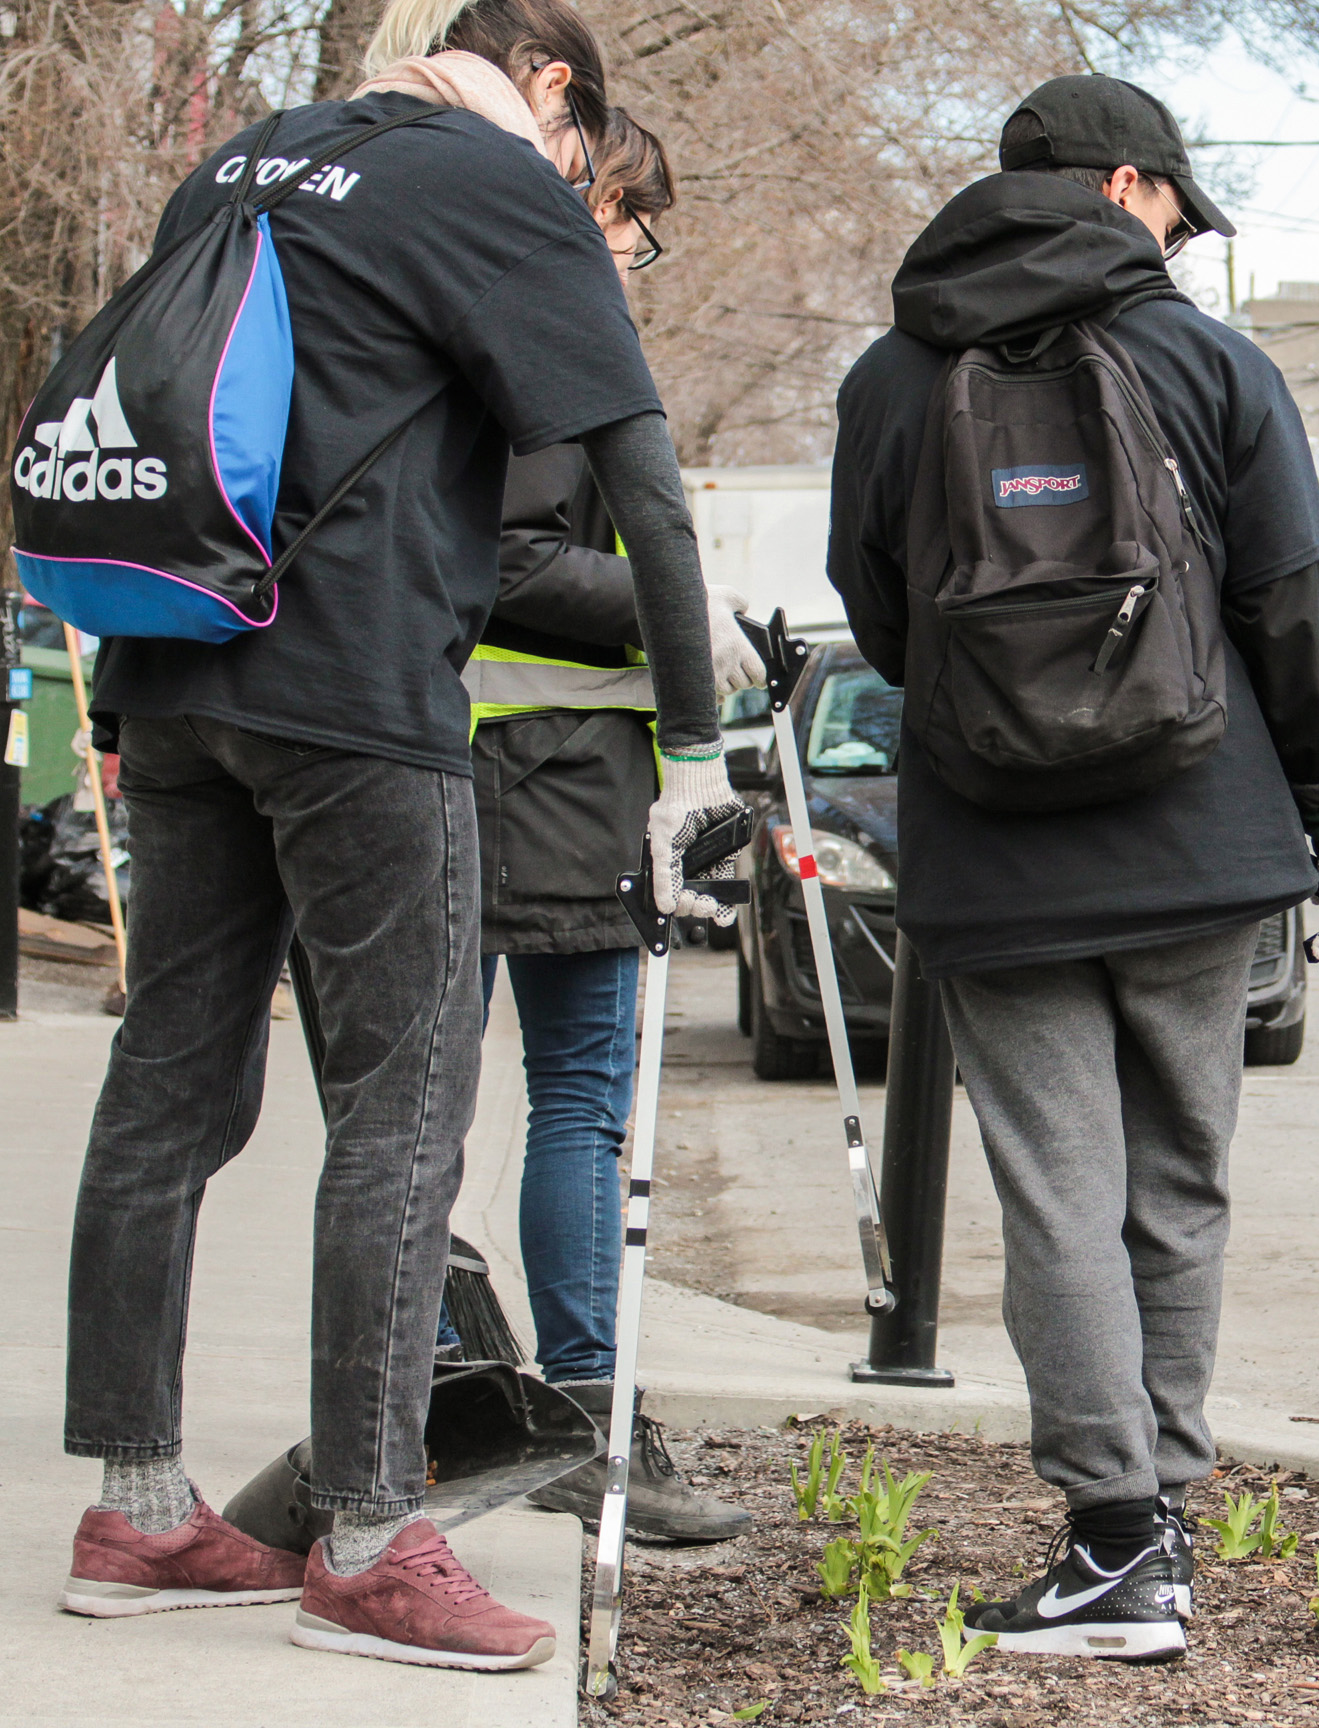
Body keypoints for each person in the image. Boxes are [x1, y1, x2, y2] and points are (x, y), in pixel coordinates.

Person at [57, 0, 744, 1671]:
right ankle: (368, 1538)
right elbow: (641, 483)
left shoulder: (250, 157)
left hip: (174, 666)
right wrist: (694, 750)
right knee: (404, 1100)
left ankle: (139, 1508)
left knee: (173, 1075)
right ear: (553, 89)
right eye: (596, 160)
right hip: (354, 689)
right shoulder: (494, 181)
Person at [826, 73, 1319, 1664]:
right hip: (1200, 833)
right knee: (1178, 1182)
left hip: (996, 854)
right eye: (1175, 213)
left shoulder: (892, 371)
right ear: (1130, 187)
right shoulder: (1210, 359)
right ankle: (1169, 1522)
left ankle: (1111, 1538)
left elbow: (882, 616)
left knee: (1056, 1190)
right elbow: (1290, 603)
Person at [453, 107, 764, 1543]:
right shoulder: (542, 353)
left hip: (543, 765)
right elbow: (513, 559)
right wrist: (676, 617)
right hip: (541, 771)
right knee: (572, 1095)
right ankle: (581, 1409)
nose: (639, 259)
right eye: (639, 228)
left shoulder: (481, 330)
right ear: (599, 205)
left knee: (441, 1107)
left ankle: (471, 1375)